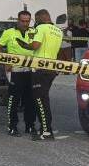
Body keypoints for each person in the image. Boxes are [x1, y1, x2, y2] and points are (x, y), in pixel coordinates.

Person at [18, 9, 64, 141]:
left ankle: (46, 131)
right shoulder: (58, 31)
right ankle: (45, 128)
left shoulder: (41, 28)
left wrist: (25, 45)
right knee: (44, 99)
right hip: (51, 68)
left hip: (40, 68)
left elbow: (35, 45)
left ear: (38, 19)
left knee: (40, 100)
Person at [0, 10, 36, 137]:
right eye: (23, 21)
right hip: (15, 70)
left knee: (30, 100)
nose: (25, 23)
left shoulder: (34, 32)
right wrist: (6, 61)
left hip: (31, 70)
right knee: (13, 99)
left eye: (27, 21)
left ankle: (30, 126)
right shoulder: (9, 32)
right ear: (17, 20)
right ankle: (12, 126)